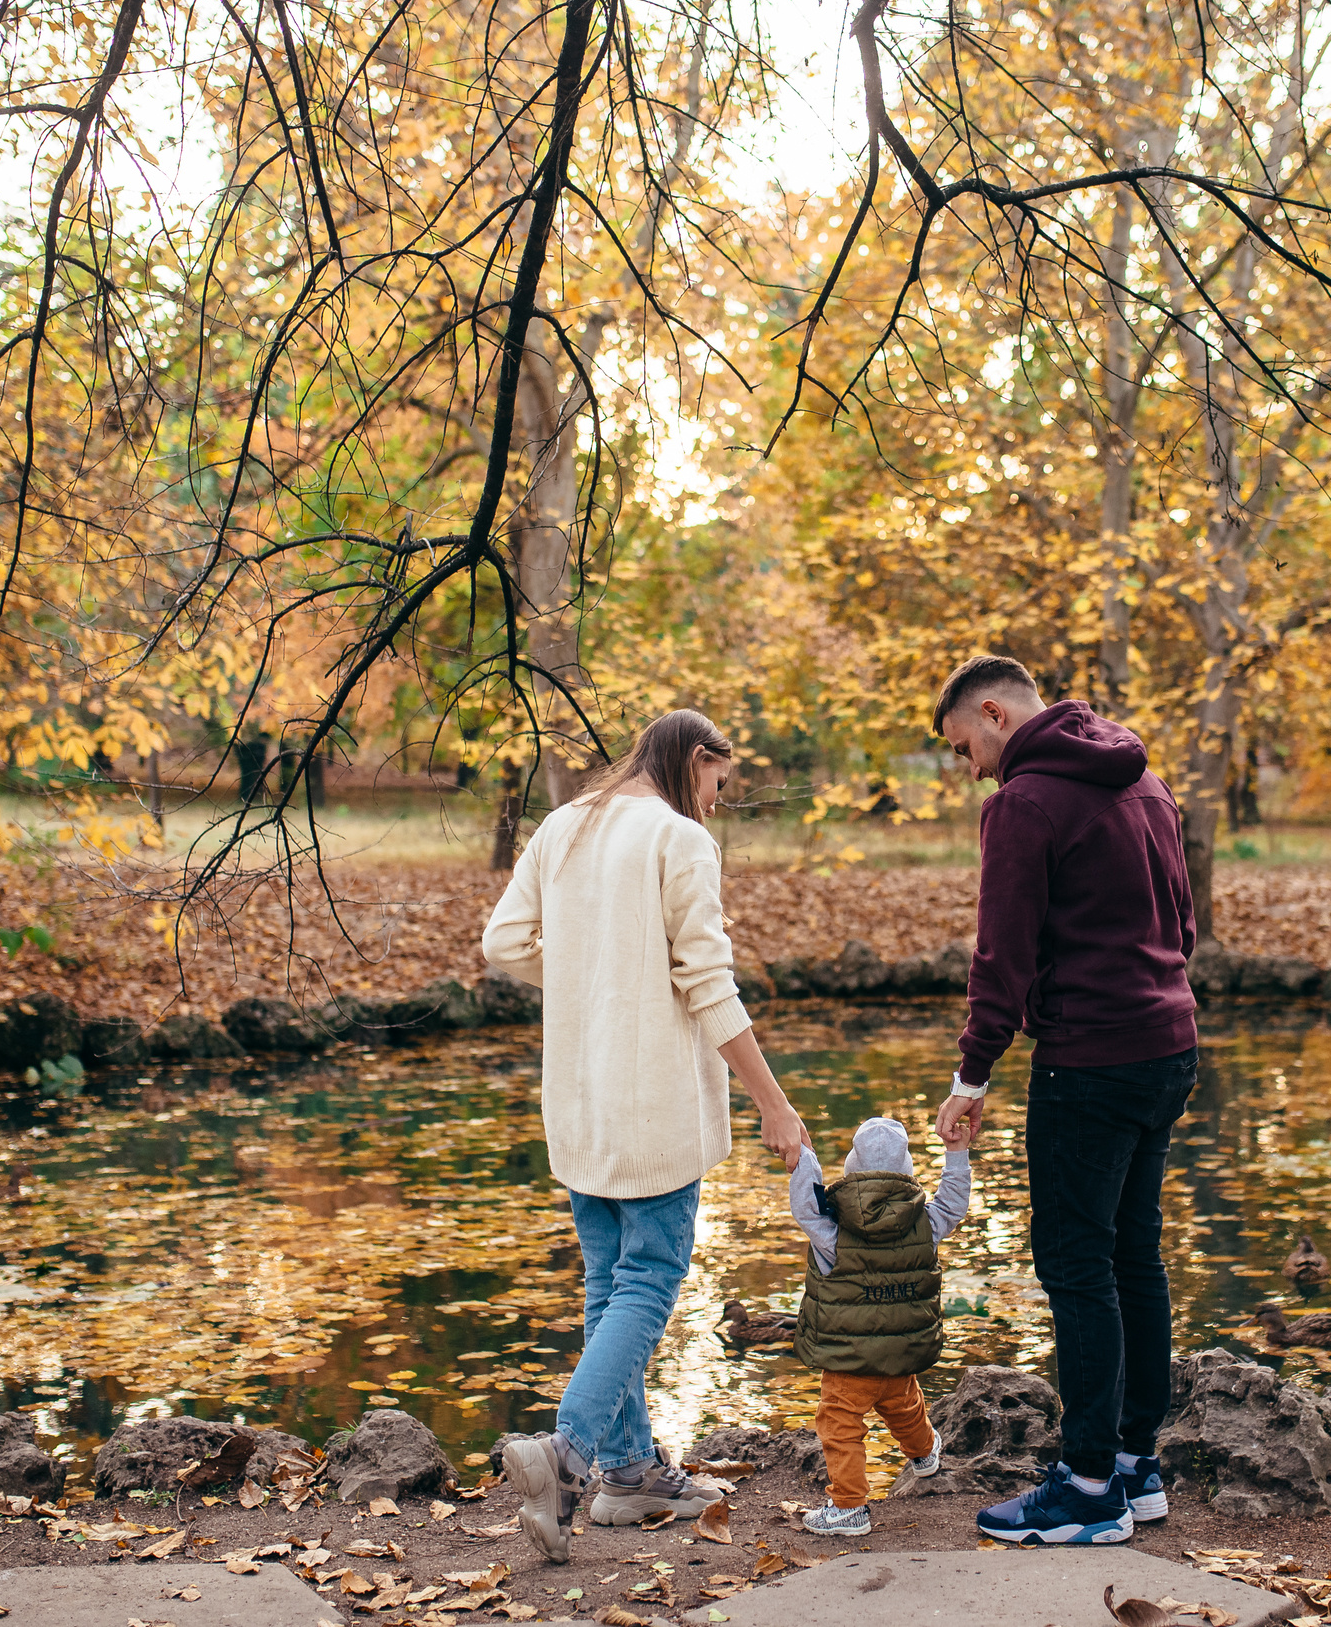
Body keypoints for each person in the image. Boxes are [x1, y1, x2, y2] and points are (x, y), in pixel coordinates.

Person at [481, 709, 810, 1564]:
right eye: (719, 782)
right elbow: (708, 981)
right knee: (650, 1279)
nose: (716, 801)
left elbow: (503, 941)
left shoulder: (563, 826)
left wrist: (587, 970)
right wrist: (773, 1104)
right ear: (697, 760)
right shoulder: (678, 839)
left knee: (607, 1283)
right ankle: (568, 1454)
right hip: (652, 1105)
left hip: (580, 1106)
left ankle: (627, 1477)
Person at [928, 655, 1197, 1545]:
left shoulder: (1024, 803)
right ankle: (1134, 1464)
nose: (971, 768)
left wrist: (972, 1077)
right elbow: (1183, 920)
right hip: (1169, 1047)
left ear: (996, 713)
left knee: (1077, 1266)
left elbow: (1001, 956)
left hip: (1088, 1061)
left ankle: (1085, 1488)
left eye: (967, 746)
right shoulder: (1145, 780)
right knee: (1134, 1256)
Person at [788, 1115, 973, 1537]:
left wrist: (806, 1158)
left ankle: (849, 1508)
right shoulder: (926, 1223)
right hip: (900, 1354)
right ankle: (925, 1454)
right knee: (902, 1404)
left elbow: (805, 1207)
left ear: (853, 1167)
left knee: (840, 1426)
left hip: (847, 1362)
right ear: (907, 1169)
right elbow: (954, 1202)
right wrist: (957, 1153)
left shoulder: (833, 1232)